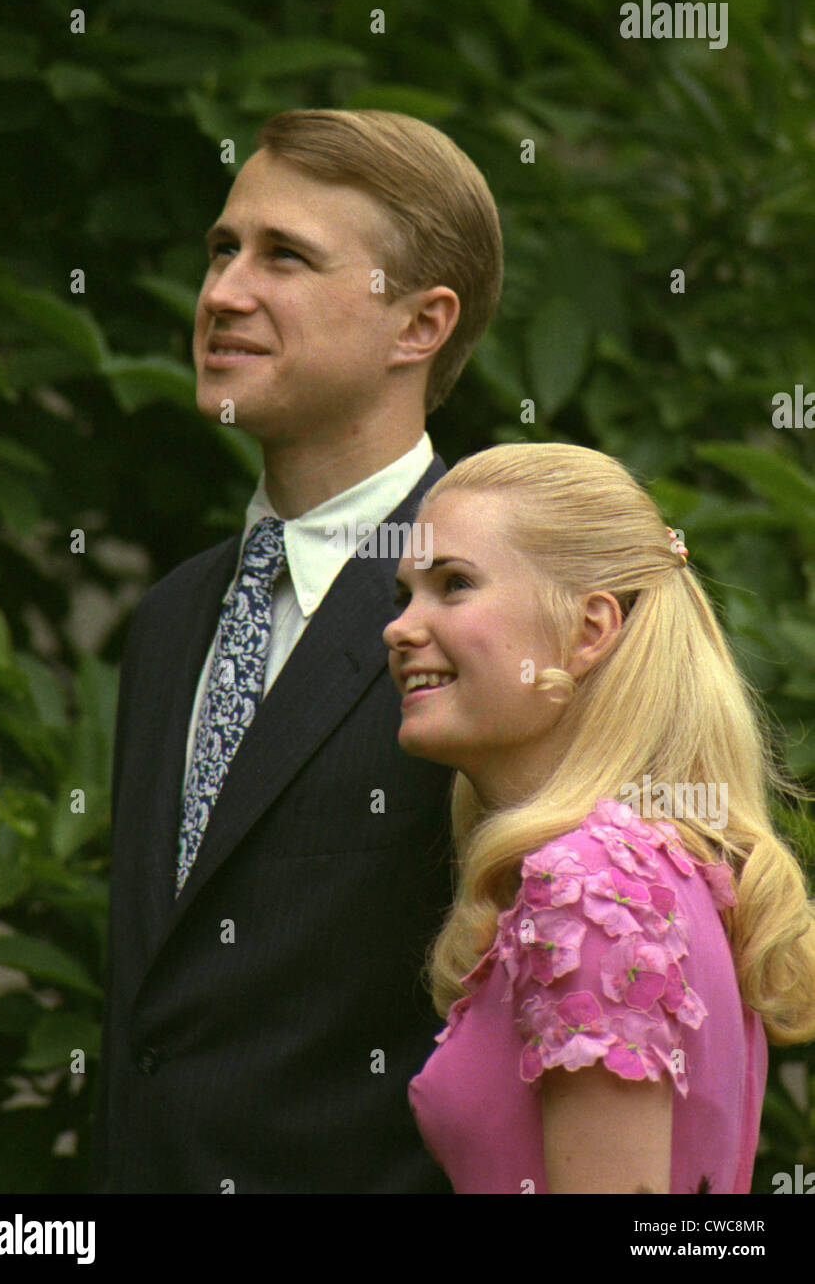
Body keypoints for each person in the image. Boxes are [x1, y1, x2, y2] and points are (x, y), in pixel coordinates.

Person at [89, 108, 504, 1192]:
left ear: (418, 325)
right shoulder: (174, 617)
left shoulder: (504, 608)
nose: (222, 292)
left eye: (285, 257)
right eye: (223, 249)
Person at [384, 441, 815, 1194]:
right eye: (404, 595)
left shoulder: (591, 883)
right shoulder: (660, 864)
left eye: (453, 584)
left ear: (588, 631)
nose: (399, 628)